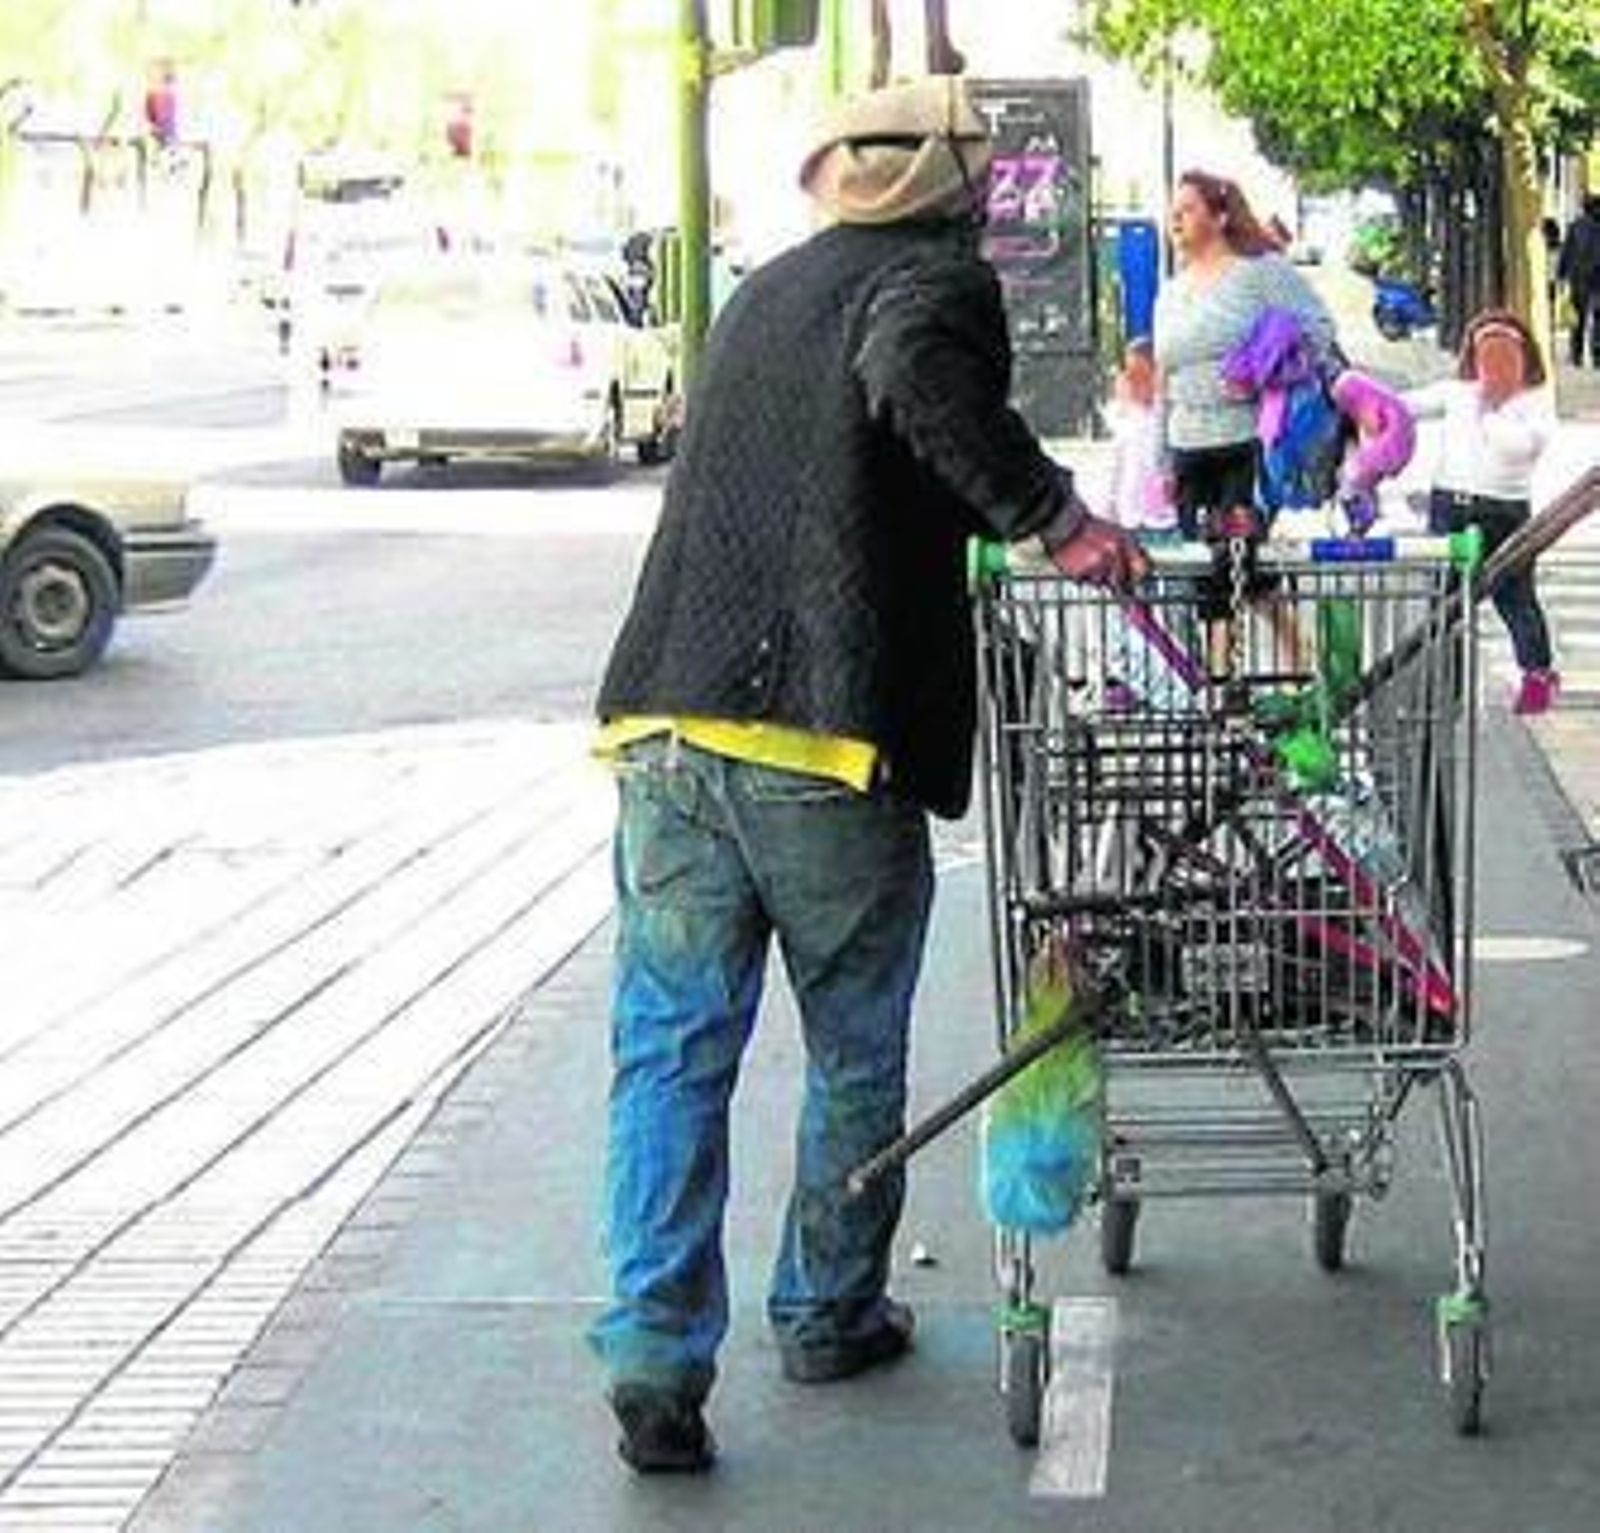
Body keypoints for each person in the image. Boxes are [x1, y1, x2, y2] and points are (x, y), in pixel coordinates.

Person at [587, 75, 1147, 1476]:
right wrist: (1055, 519)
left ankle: (655, 1355)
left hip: (667, 723)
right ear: (957, 189)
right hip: (823, 741)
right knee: (850, 1041)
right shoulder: (930, 287)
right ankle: (828, 1305)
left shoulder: (764, 292)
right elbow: (911, 384)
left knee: (670, 1051)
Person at [1404, 308, 1559, 715]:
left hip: (1504, 509)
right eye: (1484, 351)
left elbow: (1523, 448)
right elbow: (1408, 406)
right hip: (1450, 505)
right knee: (1446, 599)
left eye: (1505, 352)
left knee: (1516, 595)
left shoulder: (1533, 402)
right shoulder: (1456, 393)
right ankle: (1447, 685)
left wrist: (1492, 410)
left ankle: (1537, 674)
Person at [1556, 194, 1600, 368]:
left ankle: (1577, 355)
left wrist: (1561, 275)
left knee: (1579, 319)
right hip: (1596, 279)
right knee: (1597, 318)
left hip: (1579, 279)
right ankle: (1596, 354)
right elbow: (1567, 251)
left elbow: (1566, 252)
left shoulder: (1574, 227)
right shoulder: (1576, 227)